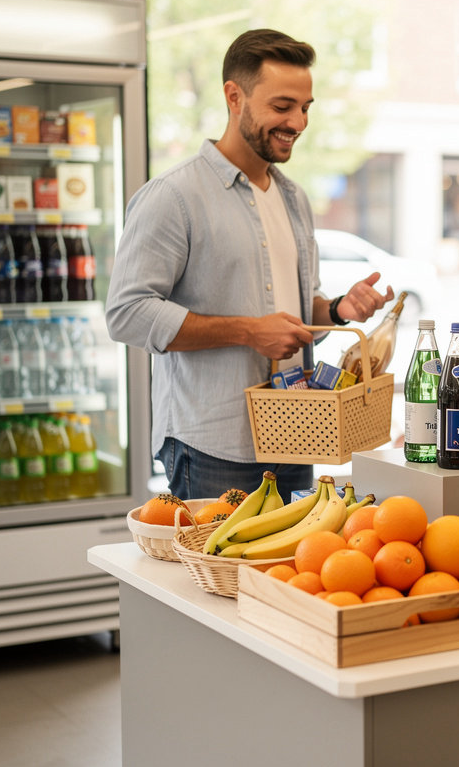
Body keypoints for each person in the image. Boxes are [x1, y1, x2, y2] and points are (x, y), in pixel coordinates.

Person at [106, 29, 393, 501]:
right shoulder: (174, 196)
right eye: (282, 107)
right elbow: (127, 313)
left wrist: (339, 310)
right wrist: (247, 330)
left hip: (297, 435)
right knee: (213, 576)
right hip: (213, 445)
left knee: (285, 577)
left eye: (306, 107)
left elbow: (300, 318)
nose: (298, 122)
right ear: (234, 97)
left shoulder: (294, 198)